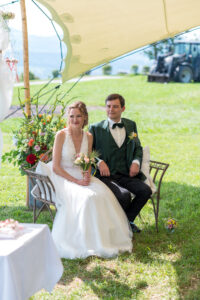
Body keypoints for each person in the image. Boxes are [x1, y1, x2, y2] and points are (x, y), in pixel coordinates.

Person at [51, 101, 133, 259]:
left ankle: (105, 239)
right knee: (87, 198)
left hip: (81, 175)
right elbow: (55, 167)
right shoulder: (61, 135)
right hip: (63, 176)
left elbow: (88, 161)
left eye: (78, 116)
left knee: (102, 195)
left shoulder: (88, 136)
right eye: (72, 116)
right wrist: (76, 182)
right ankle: (85, 240)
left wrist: (86, 175)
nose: (75, 120)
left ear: (84, 118)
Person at [89, 94, 152, 233]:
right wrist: (99, 162)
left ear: (123, 108)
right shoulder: (95, 128)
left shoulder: (131, 125)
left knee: (145, 191)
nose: (111, 109)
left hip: (126, 174)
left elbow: (137, 148)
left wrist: (136, 162)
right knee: (124, 195)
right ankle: (120, 225)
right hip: (106, 176)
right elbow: (88, 153)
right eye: (108, 106)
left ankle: (126, 222)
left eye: (115, 106)